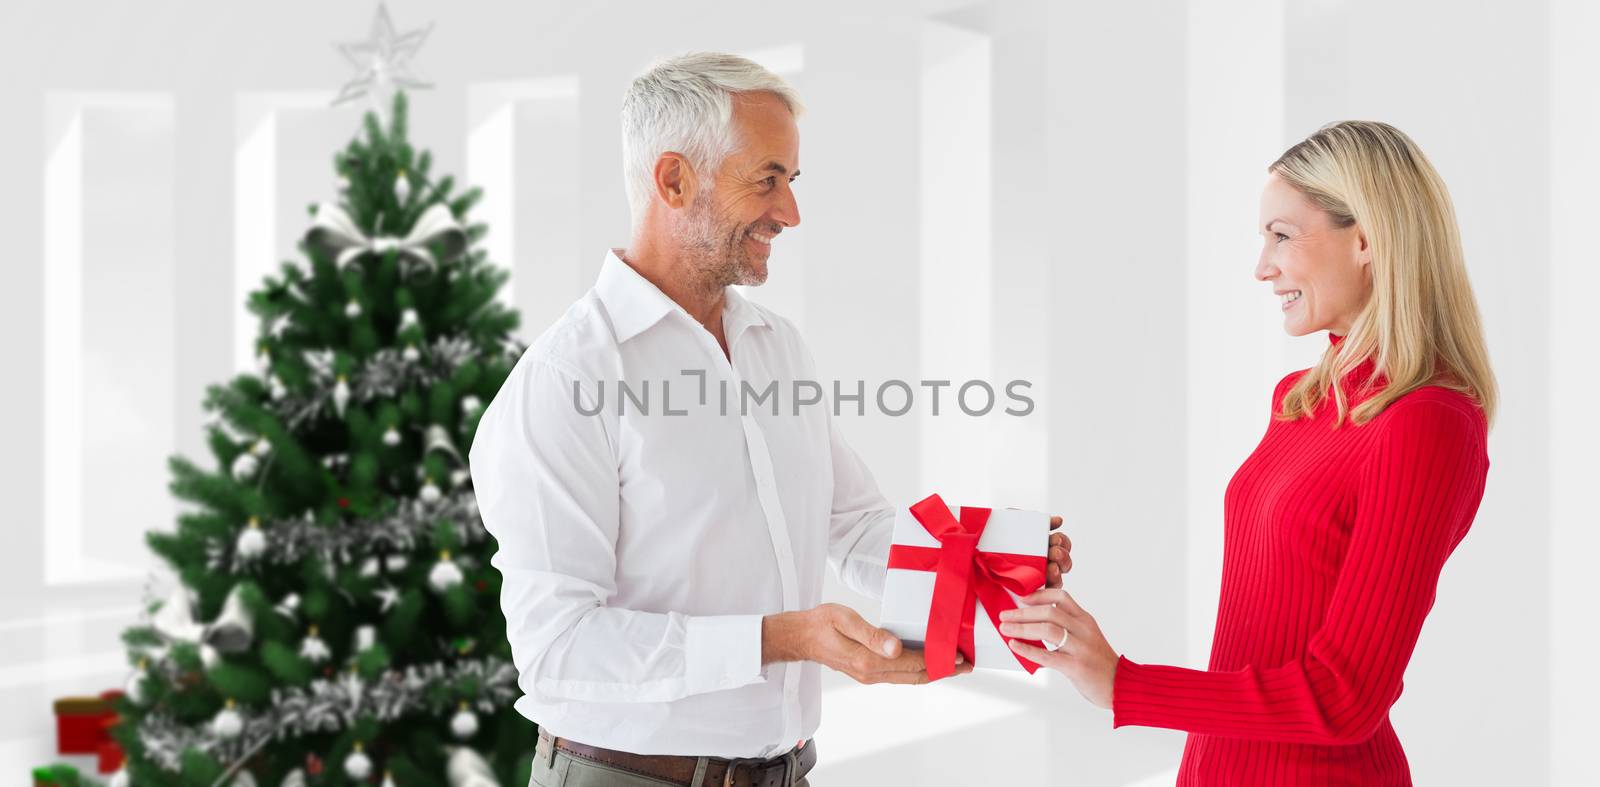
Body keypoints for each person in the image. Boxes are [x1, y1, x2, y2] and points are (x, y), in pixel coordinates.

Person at [467, 52, 1071, 787]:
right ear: (674, 180)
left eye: (790, 180)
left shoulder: (774, 345)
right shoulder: (569, 378)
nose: (790, 212)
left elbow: (851, 524)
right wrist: (781, 638)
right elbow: (558, 644)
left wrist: (986, 558)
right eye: (768, 180)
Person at [998, 121, 1494, 785]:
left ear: (1369, 237)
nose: (1262, 266)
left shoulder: (1428, 421)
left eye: (1281, 235)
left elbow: (1344, 695)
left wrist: (1124, 684)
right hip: (1217, 766)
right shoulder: (1301, 398)